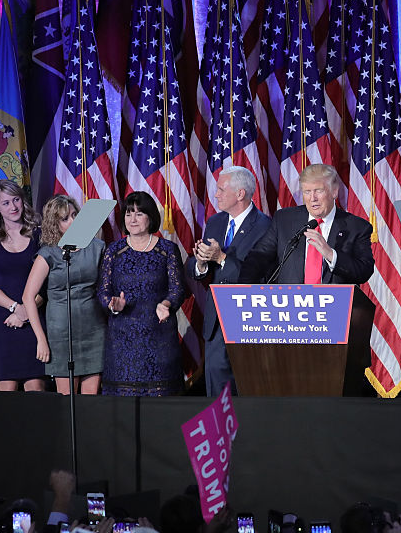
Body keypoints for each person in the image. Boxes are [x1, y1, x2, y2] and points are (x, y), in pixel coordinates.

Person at [186, 166, 271, 396]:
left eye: (221, 190)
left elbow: (260, 275)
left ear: (240, 194)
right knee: (217, 395)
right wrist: (201, 263)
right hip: (216, 322)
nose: (216, 195)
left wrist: (221, 258)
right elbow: (195, 267)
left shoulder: (266, 226)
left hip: (249, 321)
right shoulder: (215, 222)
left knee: (247, 392)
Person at [98, 191, 187, 396]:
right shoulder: (114, 251)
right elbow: (103, 291)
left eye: (139, 214)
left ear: (150, 217)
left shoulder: (167, 249)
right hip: (122, 341)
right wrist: (113, 305)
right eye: (129, 214)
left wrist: (165, 304)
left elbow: (177, 289)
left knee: (160, 404)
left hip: (159, 337)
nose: (133, 219)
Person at [22, 195, 105, 395]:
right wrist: (41, 339)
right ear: (54, 225)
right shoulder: (48, 254)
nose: (73, 221)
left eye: (75, 214)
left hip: (93, 329)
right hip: (61, 333)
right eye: (65, 218)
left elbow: (105, 287)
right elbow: (28, 297)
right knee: (67, 398)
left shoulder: (96, 247)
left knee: (91, 399)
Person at [238, 163, 374, 285]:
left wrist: (330, 254)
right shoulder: (285, 219)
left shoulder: (357, 227)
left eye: (319, 191)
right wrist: (243, 293)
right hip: (291, 306)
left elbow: (364, 272)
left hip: (333, 307)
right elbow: (258, 259)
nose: (312, 198)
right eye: (307, 192)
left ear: (334, 191)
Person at [0, 180, 45, 392]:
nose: (13, 207)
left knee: (37, 395)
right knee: (7, 399)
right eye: (5, 203)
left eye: (16, 200)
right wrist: (16, 309)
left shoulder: (38, 235)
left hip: (35, 322)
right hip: (3, 322)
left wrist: (27, 312)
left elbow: (48, 283)